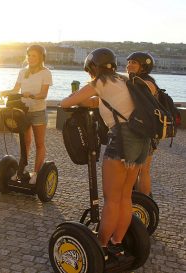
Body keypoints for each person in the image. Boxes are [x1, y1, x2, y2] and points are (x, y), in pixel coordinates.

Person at [60, 48, 150, 259]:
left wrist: (78, 98)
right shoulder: (124, 80)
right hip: (141, 140)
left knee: (111, 199)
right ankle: (116, 241)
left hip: (121, 140)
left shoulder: (99, 83)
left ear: (93, 67)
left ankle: (99, 246)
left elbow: (65, 103)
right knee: (125, 196)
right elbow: (108, 103)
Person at [0, 45, 52, 184]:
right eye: (29, 55)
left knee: (39, 144)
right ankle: (21, 171)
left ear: (41, 57)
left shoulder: (46, 72)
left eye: (34, 56)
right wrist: (5, 92)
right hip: (23, 111)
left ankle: (35, 174)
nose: (31, 58)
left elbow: (44, 94)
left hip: (38, 112)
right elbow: (15, 89)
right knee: (25, 142)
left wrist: (33, 95)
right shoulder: (23, 72)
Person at [126, 52, 158, 197]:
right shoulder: (131, 81)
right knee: (133, 169)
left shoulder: (148, 83)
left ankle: (146, 204)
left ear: (144, 67)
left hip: (147, 132)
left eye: (134, 63)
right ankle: (132, 202)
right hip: (134, 130)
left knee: (143, 169)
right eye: (129, 62)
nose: (129, 65)